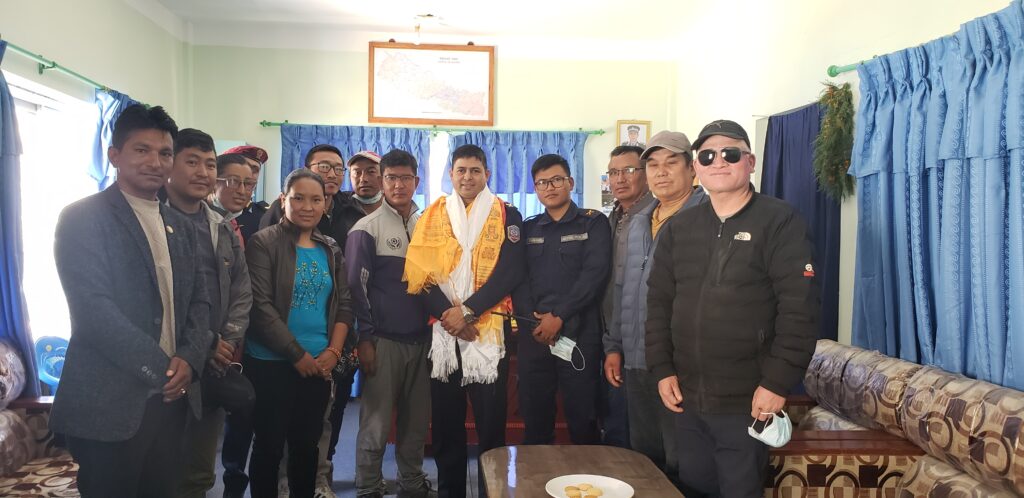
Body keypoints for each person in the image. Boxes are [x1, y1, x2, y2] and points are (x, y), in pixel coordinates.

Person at [646, 120, 819, 497]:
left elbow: (799, 310)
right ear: (697, 167)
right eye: (708, 155)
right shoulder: (680, 227)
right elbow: (658, 303)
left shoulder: (779, 221)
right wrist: (661, 369)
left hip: (748, 400)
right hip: (686, 397)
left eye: (730, 153)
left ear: (750, 161)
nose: (719, 161)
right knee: (693, 488)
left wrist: (776, 383)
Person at [51, 104, 211, 497]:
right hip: (110, 404)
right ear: (114, 155)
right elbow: (93, 312)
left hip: (171, 403)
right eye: (142, 150)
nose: (155, 162)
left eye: (165, 153)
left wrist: (190, 358)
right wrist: (165, 371)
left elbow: (200, 303)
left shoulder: (182, 227)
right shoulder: (83, 218)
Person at [404, 144, 524, 498]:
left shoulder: (507, 213)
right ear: (451, 174)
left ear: (487, 174)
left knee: (491, 424)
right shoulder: (432, 215)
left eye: (475, 170)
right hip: (444, 334)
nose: (467, 177)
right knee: (446, 424)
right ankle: (450, 490)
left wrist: (468, 311)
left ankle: (492, 491)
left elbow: (511, 271)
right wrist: (450, 316)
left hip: (488, 332)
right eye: (461, 170)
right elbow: (420, 274)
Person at [244, 168, 354, 498]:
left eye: (316, 200)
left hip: (319, 365)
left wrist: (333, 352)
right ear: (284, 200)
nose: (308, 207)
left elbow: (344, 305)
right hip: (272, 363)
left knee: (307, 447)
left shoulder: (330, 248)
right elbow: (260, 308)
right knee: (269, 446)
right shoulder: (263, 242)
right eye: (299, 198)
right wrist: (297, 355)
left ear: (325, 203)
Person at [604, 131, 705, 483]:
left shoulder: (707, 218)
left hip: (681, 364)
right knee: (644, 458)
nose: (661, 172)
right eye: (653, 165)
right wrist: (614, 346)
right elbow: (623, 289)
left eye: (671, 163)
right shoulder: (637, 221)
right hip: (635, 359)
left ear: (692, 169)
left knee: (683, 460)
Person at [164, 129, 253, 498]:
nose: (202, 172)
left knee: (199, 472)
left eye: (209, 164)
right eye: (192, 162)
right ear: (169, 164)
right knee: (159, 469)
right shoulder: (152, 220)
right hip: (166, 364)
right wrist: (205, 343)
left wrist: (227, 340)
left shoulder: (221, 226)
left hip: (213, 364)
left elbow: (241, 289)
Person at [347, 150, 434, 498]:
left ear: (417, 181)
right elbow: (355, 288)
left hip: (423, 341)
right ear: (382, 182)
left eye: (405, 178)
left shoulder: (428, 225)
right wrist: (365, 339)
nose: (399, 185)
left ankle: (412, 482)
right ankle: (368, 485)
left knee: (416, 422)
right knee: (376, 422)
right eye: (392, 178)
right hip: (383, 341)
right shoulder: (366, 229)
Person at [514, 154, 610, 445]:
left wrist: (558, 316)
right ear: (535, 188)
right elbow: (518, 277)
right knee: (535, 419)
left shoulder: (592, 223)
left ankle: (586, 473)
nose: (550, 187)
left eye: (556, 180)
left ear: (570, 182)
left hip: (579, 333)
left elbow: (594, 275)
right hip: (536, 335)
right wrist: (534, 322)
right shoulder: (529, 228)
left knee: (583, 418)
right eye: (542, 182)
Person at [600, 144, 653, 448]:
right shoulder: (614, 218)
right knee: (616, 423)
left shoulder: (653, 217)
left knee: (639, 433)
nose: (620, 179)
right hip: (613, 334)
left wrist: (616, 344)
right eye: (613, 172)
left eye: (629, 170)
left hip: (641, 342)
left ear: (645, 174)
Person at [222, 145, 270, 242]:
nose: (249, 174)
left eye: (255, 170)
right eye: (245, 167)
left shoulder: (263, 215)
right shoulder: (204, 211)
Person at [209, 153, 258, 246]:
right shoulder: (199, 222)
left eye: (248, 183)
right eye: (233, 181)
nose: (242, 191)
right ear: (214, 182)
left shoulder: (231, 221)